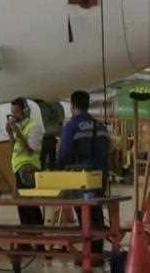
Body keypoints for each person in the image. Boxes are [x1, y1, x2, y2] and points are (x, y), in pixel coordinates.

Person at [57, 90, 109, 262]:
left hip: (80, 179)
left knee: (84, 216)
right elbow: (107, 150)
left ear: (72, 106)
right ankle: (98, 253)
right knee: (96, 214)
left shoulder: (71, 126)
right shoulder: (100, 125)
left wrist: (56, 169)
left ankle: (87, 256)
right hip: (99, 176)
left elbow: (64, 153)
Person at [6, 97, 44, 229]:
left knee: (29, 206)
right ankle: (27, 235)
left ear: (25, 111)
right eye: (12, 112)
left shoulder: (34, 127)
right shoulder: (20, 127)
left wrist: (18, 133)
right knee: (21, 206)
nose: (14, 116)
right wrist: (11, 134)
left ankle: (37, 237)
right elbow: (13, 149)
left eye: (16, 112)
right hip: (18, 169)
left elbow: (29, 151)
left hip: (28, 170)